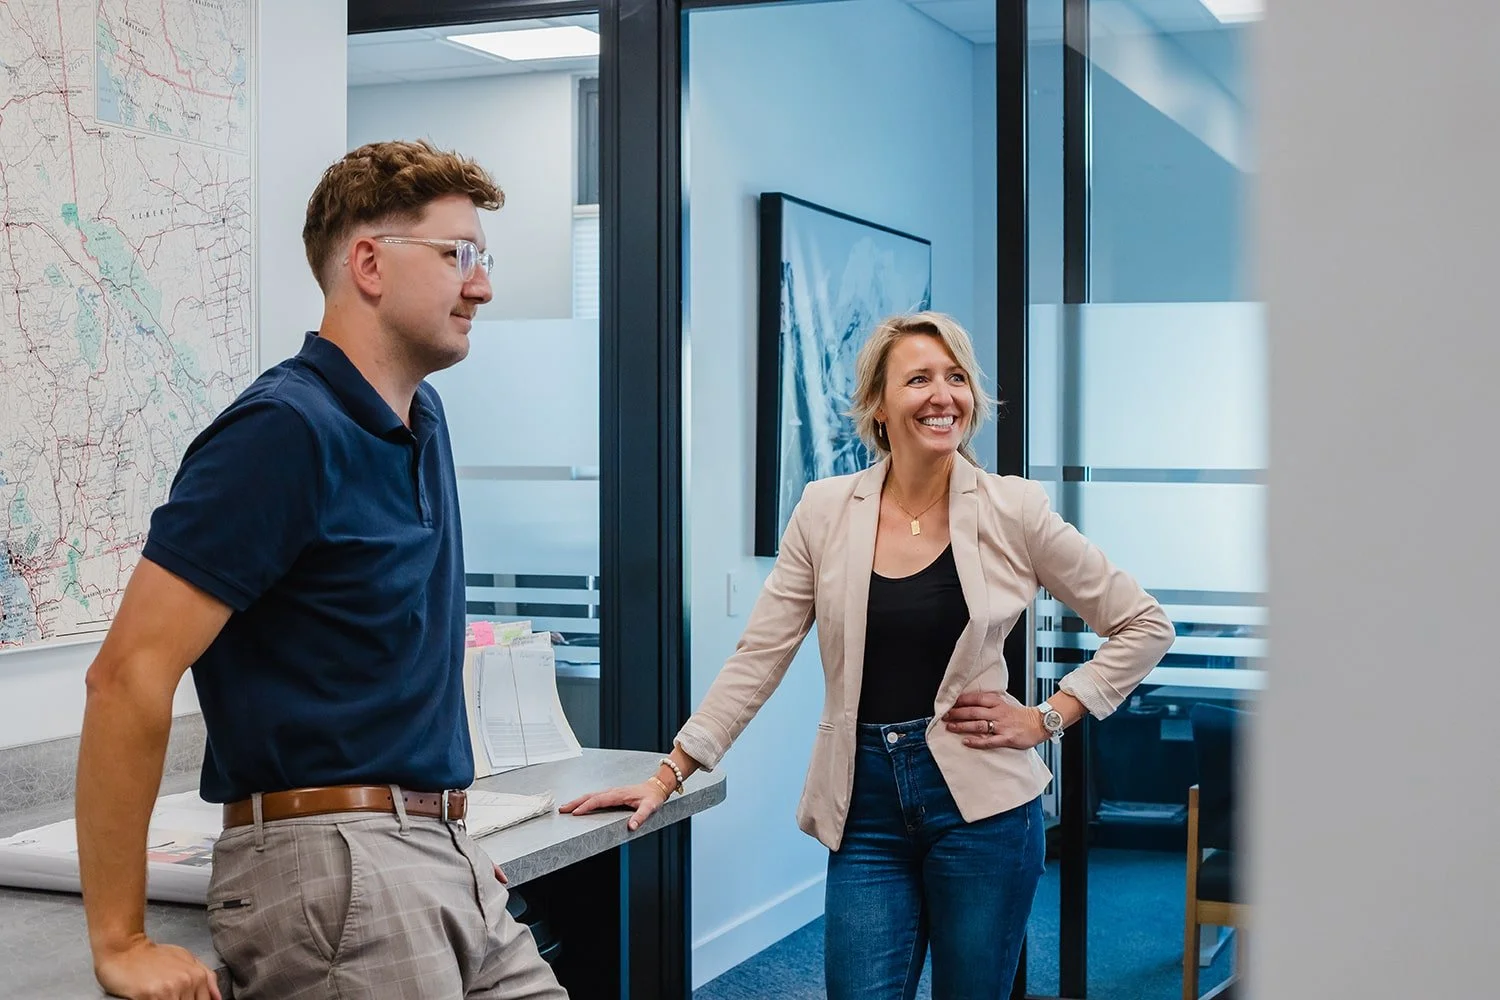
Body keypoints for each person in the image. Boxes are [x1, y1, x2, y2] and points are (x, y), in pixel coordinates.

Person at [75, 140, 568, 1000]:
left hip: (437, 852)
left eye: (482, 259)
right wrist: (120, 939)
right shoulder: (281, 432)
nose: (481, 285)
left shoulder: (424, 419)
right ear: (369, 263)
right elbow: (128, 674)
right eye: (459, 256)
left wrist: (444, 843)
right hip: (333, 864)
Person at [563, 311, 1175, 999]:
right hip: (865, 803)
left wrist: (1047, 718)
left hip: (984, 807)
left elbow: (1143, 624)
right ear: (879, 405)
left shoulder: (1014, 509)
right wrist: (672, 770)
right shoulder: (825, 511)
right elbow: (757, 656)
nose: (943, 396)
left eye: (956, 379)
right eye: (919, 379)